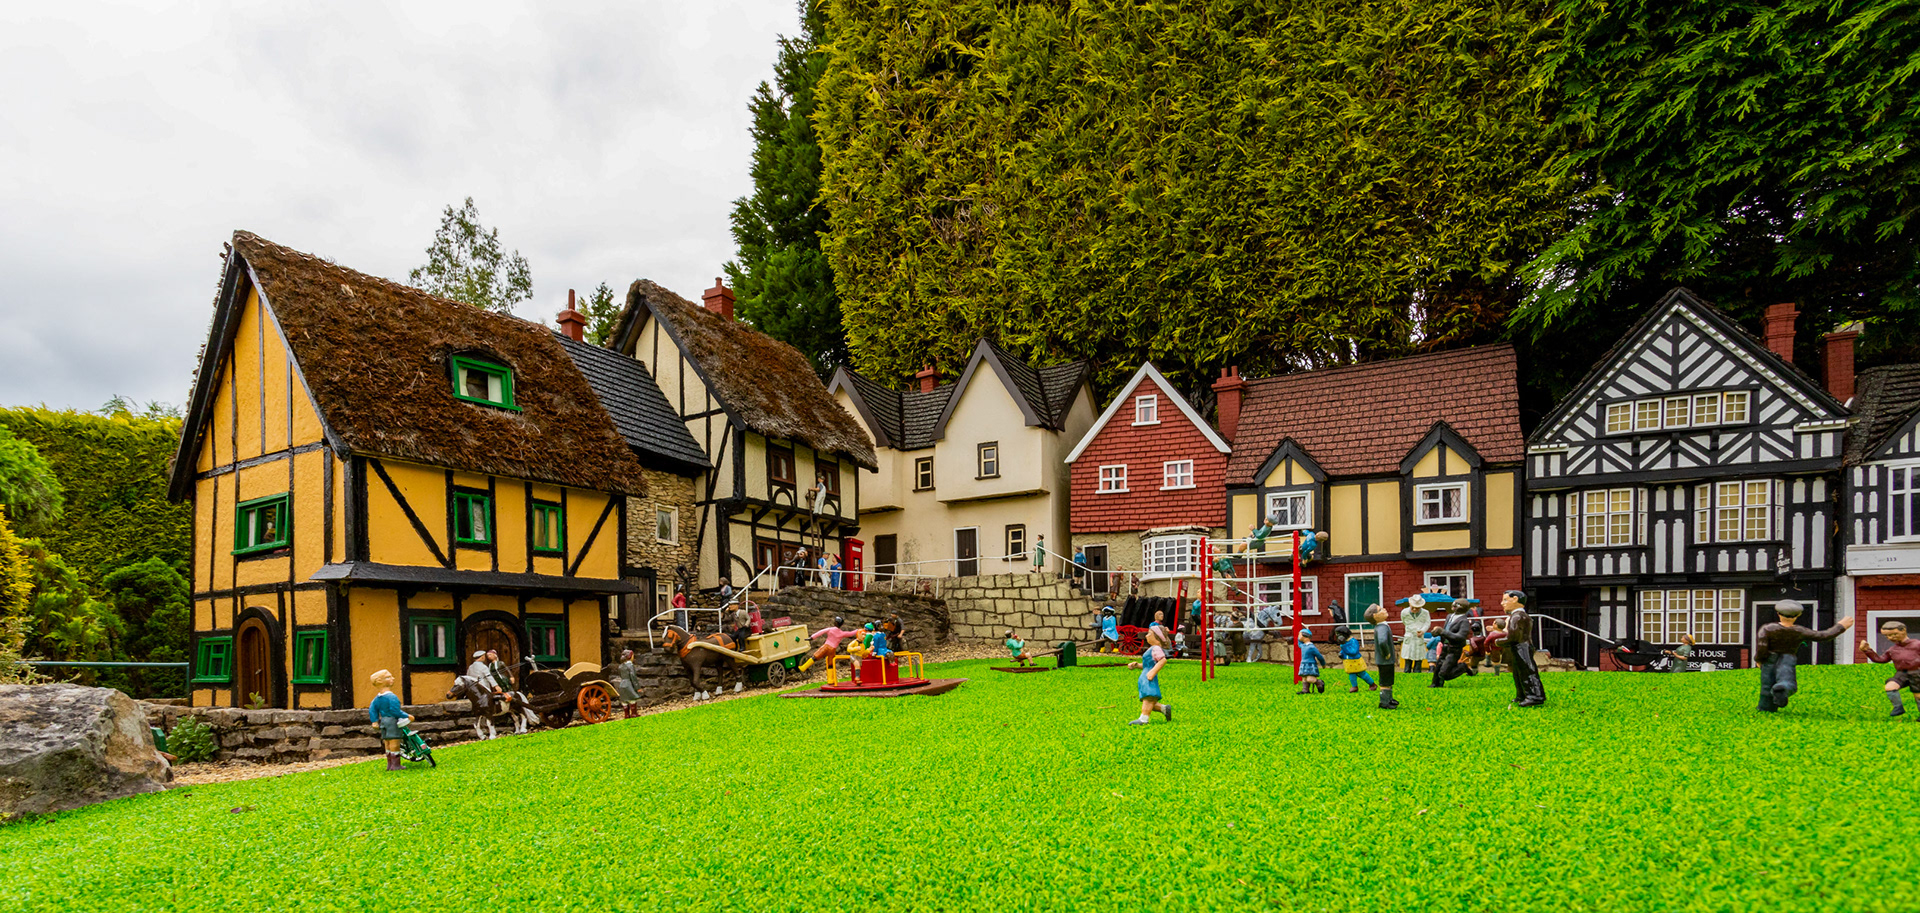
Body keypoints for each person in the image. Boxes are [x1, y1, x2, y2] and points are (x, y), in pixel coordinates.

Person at [1754, 599, 1853, 712]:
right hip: (1788, 658)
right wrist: (1841, 626)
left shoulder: (1767, 629)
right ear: (1797, 616)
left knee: (1767, 683)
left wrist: (1759, 659)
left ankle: (1766, 707)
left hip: (1769, 658)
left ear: (1778, 614)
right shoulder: (1800, 631)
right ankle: (1782, 689)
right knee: (1787, 679)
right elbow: (1823, 635)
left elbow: (1762, 646)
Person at [1860, 621, 1920, 718]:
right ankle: (1898, 708)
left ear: (1903, 631)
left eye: (1894, 634)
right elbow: (1881, 659)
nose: (1891, 638)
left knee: (1918, 696)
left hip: (1917, 673)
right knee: (1890, 687)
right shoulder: (1892, 650)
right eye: (1887, 636)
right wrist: (1867, 650)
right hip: (1901, 673)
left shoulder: (1917, 645)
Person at [1501, 591, 1545, 707]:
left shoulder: (1518, 616)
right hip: (1519, 647)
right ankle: (1522, 694)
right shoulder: (1517, 616)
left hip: (1522, 646)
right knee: (1518, 672)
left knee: (1527, 671)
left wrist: (1499, 641)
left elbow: (1513, 636)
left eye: (1505, 600)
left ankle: (1535, 695)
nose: (1502, 603)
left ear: (1515, 599)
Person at [367, 669, 411, 772]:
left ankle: (389, 764)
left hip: (383, 721)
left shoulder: (377, 698)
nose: (392, 678)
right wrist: (407, 716)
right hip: (392, 721)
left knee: (386, 741)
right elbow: (395, 711)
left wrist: (374, 721)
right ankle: (396, 765)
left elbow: (372, 709)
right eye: (388, 677)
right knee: (394, 741)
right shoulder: (391, 697)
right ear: (380, 681)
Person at [1127, 629, 1173, 724]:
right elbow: (1147, 665)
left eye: (1149, 633)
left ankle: (1143, 719)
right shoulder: (1152, 649)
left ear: (1157, 637)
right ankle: (1164, 709)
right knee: (1148, 699)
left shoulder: (1156, 648)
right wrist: (1136, 665)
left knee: (1148, 698)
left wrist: (1153, 672)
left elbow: (1162, 660)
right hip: (1145, 677)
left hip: (1148, 678)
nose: (1147, 635)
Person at [1431, 603, 1475, 687]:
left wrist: (1443, 632)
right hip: (1445, 645)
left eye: (1457, 605)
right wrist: (1438, 633)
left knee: (1444, 672)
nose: (1453, 606)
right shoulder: (1449, 616)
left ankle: (1463, 667)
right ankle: (1435, 684)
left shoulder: (1464, 621)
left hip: (1455, 648)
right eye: (1453, 604)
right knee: (1439, 666)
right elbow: (1446, 629)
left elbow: (1460, 637)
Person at [1369, 605, 1400, 709]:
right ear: (1375, 616)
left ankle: (1389, 698)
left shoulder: (1383, 626)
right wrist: (1386, 653)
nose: (1385, 609)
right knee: (1385, 682)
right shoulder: (1382, 628)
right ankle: (1384, 702)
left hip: (1386, 660)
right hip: (1385, 660)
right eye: (1380, 610)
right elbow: (1382, 642)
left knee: (1389, 680)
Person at [1336, 625, 1376, 692]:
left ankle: (1372, 684)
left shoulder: (1353, 641)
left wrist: (1343, 646)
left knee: (1362, 674)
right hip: (1348, 660)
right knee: (1351, 674)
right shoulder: (1345, 643)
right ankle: (1354, 686)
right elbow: (1344, 651)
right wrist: (1341, 653)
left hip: (1356, 660)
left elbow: (1353, 652)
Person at [1400, 598, 1433, 673]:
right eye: (1413, 607)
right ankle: (1407, 671)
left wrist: (1422, 631)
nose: (1414, 609)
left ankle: (1417, 671)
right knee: (1408, 655)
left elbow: (1427, 623)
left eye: (1417, 608)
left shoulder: (1425, 613)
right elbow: (1404, 621)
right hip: (1409, 635)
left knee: (1419, 656)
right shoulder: (1404, 612)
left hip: (1419, 637)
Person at [1295, 629, 1325, 694]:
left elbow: (1319, 656)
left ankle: (1319, 682)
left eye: (1299, 635)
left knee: (1309, 678)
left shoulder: (1311, 647)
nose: (1298, 636)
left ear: (1305, 636)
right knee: (1304, 678)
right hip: (1303, 664)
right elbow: (1299, 643)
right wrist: (1298, 637)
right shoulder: (1303, 646)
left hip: (1310, 665)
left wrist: (1323, 663)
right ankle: (1305, 690)